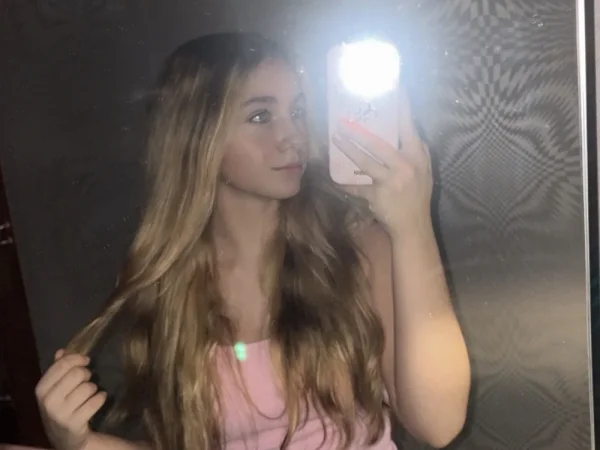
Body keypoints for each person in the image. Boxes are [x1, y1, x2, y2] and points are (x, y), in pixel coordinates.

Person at [34, 32, 470, 450]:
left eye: (297, 111)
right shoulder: (167, 282)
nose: (292, 136)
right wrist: (79, 443)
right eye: (261, 116)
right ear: (198, 136)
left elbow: (438, 424)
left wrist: (412, 224)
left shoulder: (356, 251)